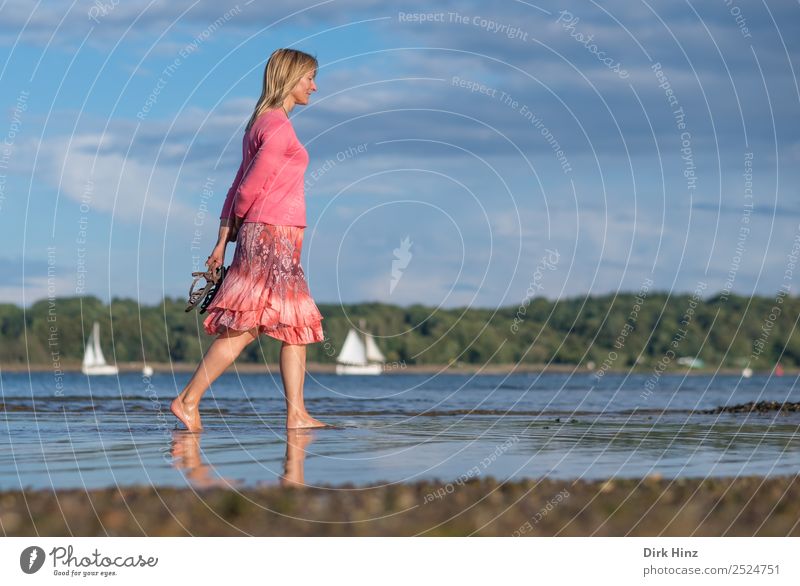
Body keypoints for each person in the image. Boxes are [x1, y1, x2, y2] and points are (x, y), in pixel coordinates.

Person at [171, 48, 329, 432]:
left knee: (294, 323)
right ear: (290, 78)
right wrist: (233, 233)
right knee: (247, 326)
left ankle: (296, 414)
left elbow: (235, 187)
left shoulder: (263, 122)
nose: (314, 85)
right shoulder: (276, 127)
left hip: (276, 236)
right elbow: (246, 190)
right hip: (270, 235)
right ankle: (188, 400)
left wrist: (222, 241)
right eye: (309, 77)